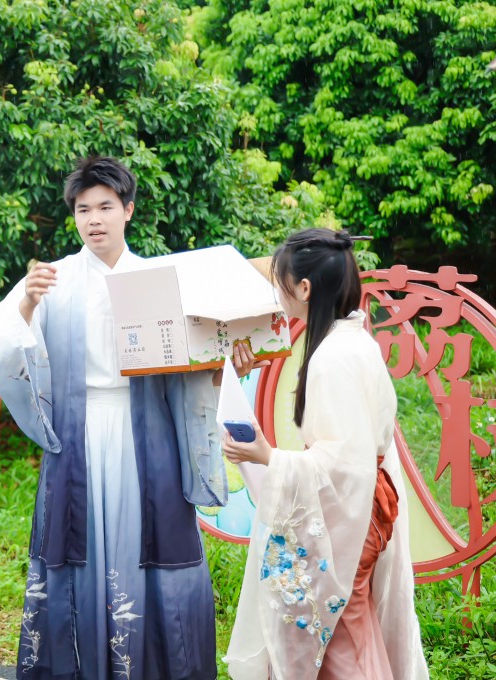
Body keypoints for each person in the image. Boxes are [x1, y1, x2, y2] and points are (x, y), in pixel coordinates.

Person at [0, 156, 259, 679]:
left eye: (106, 206)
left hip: (144, 437)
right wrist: (24, 307)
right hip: (79, 433)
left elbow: (191, 366)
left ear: (128, 210)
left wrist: (225, 367)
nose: (95, 219)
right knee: (79, 545)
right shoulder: (50, 279)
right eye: (84, 209)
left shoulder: (158, 279)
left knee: (147, 543)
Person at [221, 228, 428, 679]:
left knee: (340, 634)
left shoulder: (333, 356)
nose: (277, 291)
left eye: (280, 280)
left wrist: (269, 457)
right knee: (351, 625)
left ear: (305, 289)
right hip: (366, 505)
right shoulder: (353, 341)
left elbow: (342, 465)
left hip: (350, 513)